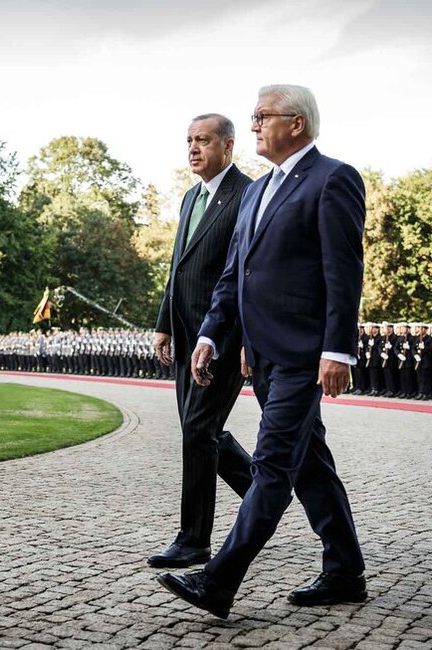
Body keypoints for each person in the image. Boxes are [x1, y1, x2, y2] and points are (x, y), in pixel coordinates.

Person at [155, 85, 366, 619]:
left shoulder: (332, 178)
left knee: (272, 466)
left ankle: (218, 582)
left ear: (295, 123)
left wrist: (338, 350)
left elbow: (343, 274)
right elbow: (235, 277)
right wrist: (211, 334)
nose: (252, 126)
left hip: (303, 354)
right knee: (311, 466)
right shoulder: (255, 192)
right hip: (262, 356)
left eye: (261, 117)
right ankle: (345, 572)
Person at [149, 114, 254, 568]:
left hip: (223, 335)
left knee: (198, 429)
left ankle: (193, 539)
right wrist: (163, 322)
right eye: (189, 140)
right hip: (185, 330)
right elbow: (179, 265)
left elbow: (250, 271)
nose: (193, 148)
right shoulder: (191, 196)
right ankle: (261, 492)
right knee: (201, 431)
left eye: (203, 140)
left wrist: (248, 335)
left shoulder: (248, 194)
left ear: (228, 146)